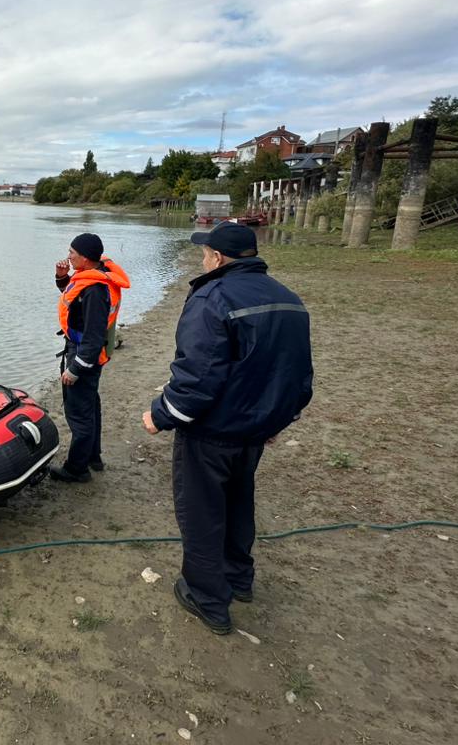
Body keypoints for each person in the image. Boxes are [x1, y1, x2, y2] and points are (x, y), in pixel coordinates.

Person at [141, 222, 313, 635]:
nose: (203, 259)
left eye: (205, 254)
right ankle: (239, 579)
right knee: (238, 503)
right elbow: (297, 374)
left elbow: (198, 376)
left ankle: (207, 599)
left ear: (217, 258)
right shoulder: (288, 298)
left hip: (212, 432)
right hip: (254, 431)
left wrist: (160, 415)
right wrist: (279, 419)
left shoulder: (212, 296)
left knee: (202, 513)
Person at [50, 232, 131, 482]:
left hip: (84, 354)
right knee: (89, 406)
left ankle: (77, 469)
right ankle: (93, 457)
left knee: (79, 413)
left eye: (72, 253)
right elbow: (75, 296)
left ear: (85, 259)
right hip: (85, 351)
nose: (68, 257)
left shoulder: (96, 291)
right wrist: (62, 278)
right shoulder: (92, 278)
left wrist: (75, 369)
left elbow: (94, 337)